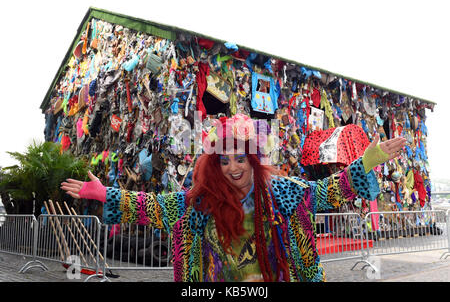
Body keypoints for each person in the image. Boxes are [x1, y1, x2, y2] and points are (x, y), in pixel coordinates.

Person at [61, 114, 405, 282]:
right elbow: (154, 206)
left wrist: (370, 159)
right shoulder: (200, 203)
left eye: (240, 158)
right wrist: (104, 193)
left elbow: (329, 190)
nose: (233, 168)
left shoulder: (285, 193)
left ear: (253, 160)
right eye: (223, 161)